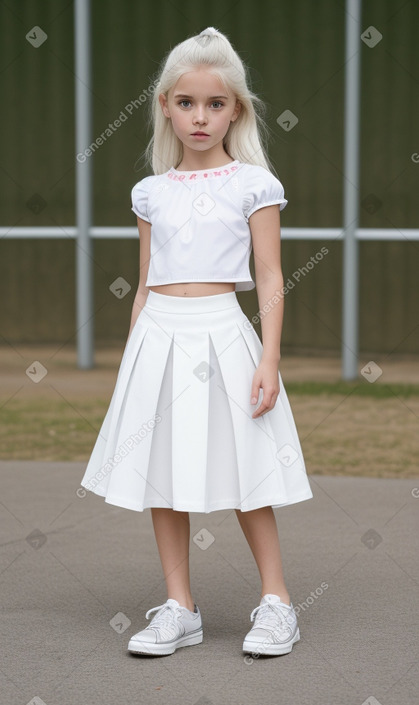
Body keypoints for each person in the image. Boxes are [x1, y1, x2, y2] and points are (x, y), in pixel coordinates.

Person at [79, 25, 313, 659]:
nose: (200, 117)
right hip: (159, 339)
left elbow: (269, 276)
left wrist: (269, 357)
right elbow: (147, 281)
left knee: (247, 474)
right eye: (187, 103)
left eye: (215, 104)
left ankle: (277, 602)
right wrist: (132, 360)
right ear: (165, 106)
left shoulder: (253, 184)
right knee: (164, 476)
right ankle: (180, 607)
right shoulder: (151, 192)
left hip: (223, 336)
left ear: (234, 107)